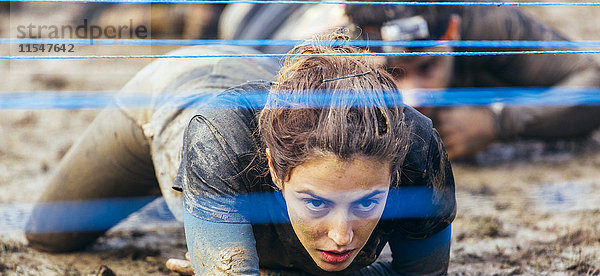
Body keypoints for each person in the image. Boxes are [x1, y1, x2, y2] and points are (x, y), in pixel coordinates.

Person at [26, 36, 456, 276]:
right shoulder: (220, 137)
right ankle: (198, 197)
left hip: (267, 74)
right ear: (274, 168)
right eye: (316, 203)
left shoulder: (416, 147)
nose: (342, 236)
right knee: (49, 234)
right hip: (176, 91)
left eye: (366, 203)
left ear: (396, 172)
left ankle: (217, 213)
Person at [219, 1, 600, 159]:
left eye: (428, 66)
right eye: (393, 74)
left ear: (452, 32)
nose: (414, 97)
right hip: (260, 14)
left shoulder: (478, 20)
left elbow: (592, 81)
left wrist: (498, 121)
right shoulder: (319, 56)